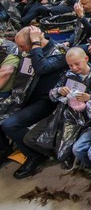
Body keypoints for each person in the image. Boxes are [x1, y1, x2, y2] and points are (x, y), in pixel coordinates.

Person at [0, 26, 67, 178]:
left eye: (22, 46)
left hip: (45, 101)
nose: (20, 49)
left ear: (34, 42)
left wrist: (36, 44)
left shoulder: (60, 52)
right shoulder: (27, 51)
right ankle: (4, 149)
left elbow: (42, 67)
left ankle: (34, 154)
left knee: (9, 124)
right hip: (23, 95)